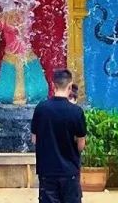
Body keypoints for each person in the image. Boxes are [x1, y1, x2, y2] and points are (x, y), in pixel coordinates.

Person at [31, 67, 86, 203]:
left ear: (52, 85)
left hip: (47, 172)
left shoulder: (41, 109)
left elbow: (34, 139)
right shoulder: (76, 112)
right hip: (70, 172)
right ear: (69, 86)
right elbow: (81, 144)